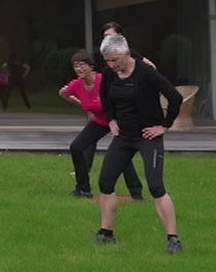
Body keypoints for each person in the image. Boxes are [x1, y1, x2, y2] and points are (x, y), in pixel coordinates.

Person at [93, 34, 185, 254]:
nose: (112, 65)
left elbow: (175, 97)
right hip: (123, 136)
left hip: (148, 136)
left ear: (127, 54)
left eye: (115, 60)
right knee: (105, 182)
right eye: (108, 61)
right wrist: (111, 120)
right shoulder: (109, 73)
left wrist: (164, 126)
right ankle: (106, 233)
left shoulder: (146, 72)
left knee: (155, 187)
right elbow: (104, 95)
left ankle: (173, 239)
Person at [60, 50, 142, 200]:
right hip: (99, 121)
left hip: (118, 120)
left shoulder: (104, 80)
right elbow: (63, 93)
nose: (79, 69)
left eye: (82, 65)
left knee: (122, 154)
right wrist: (82, 104)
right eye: (76, 66)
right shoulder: (76, 84)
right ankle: (83, 189)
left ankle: (136, 193)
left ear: (91, 66)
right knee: (76, 147)